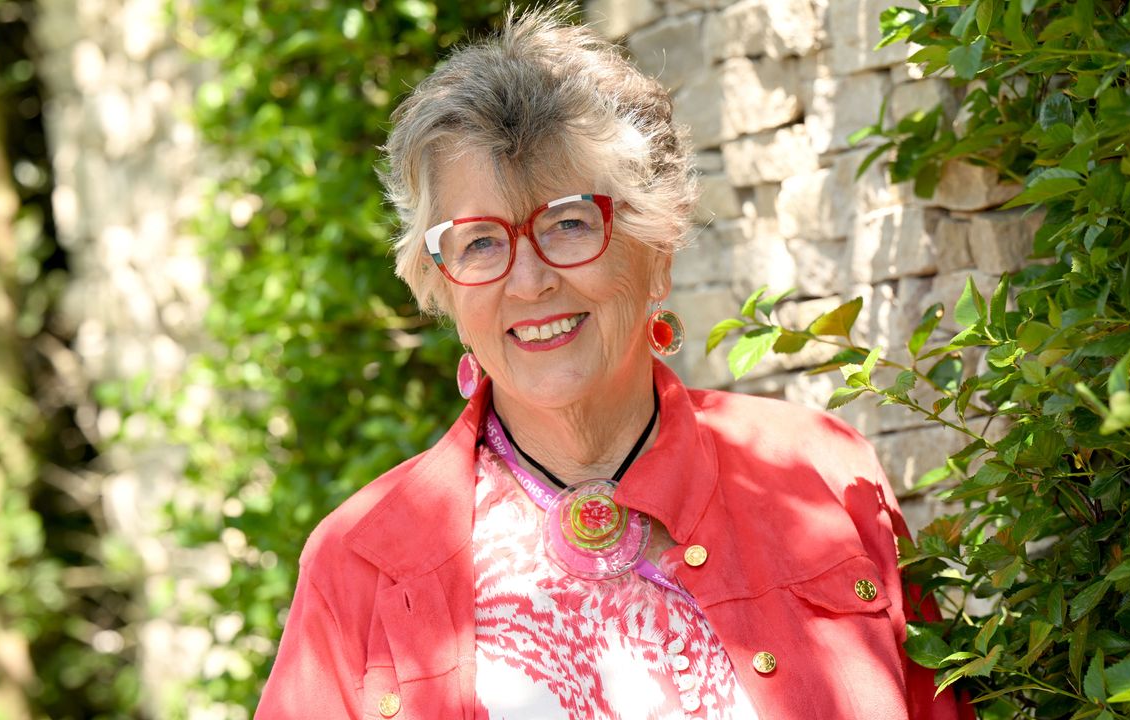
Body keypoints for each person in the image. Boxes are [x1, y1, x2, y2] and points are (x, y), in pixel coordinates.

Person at [256, 7, 964, 720]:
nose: (529, 281)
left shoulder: (823, 474)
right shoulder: (358, 563)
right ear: (438, 285)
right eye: (479, 242)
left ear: (656, 246)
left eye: (569, 223)